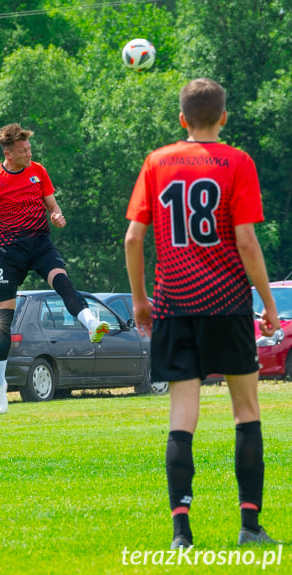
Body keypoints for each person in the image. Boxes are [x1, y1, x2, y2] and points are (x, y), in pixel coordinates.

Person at [124, 78, 280, 549]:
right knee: (246, 411)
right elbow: (247, 242)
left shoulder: (157, 162)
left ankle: (181, 532)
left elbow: (133, 238)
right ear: (224, 118)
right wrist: (269, 304)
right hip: (228, 303)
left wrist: (139, 301)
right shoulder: (238, 161)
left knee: (181, 415)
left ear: (182, 120)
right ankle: (250, 526)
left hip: (174, 304)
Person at [0, 123, 109, 415]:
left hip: (40, 244)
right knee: (5, 318)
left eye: (30, 148)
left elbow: (52, 206)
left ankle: (92, 324)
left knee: (63, 283)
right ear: (8, 154)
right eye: (23, 150)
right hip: (9, 253)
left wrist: (57, 215)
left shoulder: (38, 171)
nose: (29, 153)